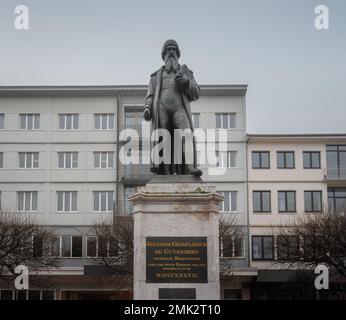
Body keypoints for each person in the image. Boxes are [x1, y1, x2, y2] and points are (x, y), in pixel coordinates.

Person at [144, 39, 202, 176]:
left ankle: (190, 168)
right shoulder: (156, 75)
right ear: (164, 54)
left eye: (174, 50)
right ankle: (166, 172)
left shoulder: (185, 71)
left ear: (178, 54)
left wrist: (187, 82)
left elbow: (196, 93)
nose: (171, 52)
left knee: (186, 134)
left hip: (179, 108)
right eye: (169, 49)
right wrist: (147, 107)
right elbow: (150, 94)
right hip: (161, 108)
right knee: (164, 139)